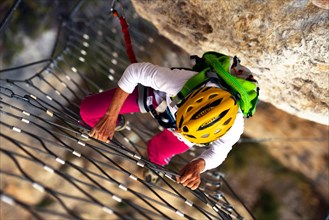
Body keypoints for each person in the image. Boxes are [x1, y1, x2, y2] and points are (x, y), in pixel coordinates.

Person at [80, 55, 251, 190]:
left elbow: (220, 152)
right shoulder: (182, 82)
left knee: (157, 151)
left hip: (180, 123)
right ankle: (117, 121)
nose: (177, 131)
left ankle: (156, 164)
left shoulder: (234, 127)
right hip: (155, 97)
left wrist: (199, 165)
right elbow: (135, 71)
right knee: (88, 111)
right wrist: (111, 116)